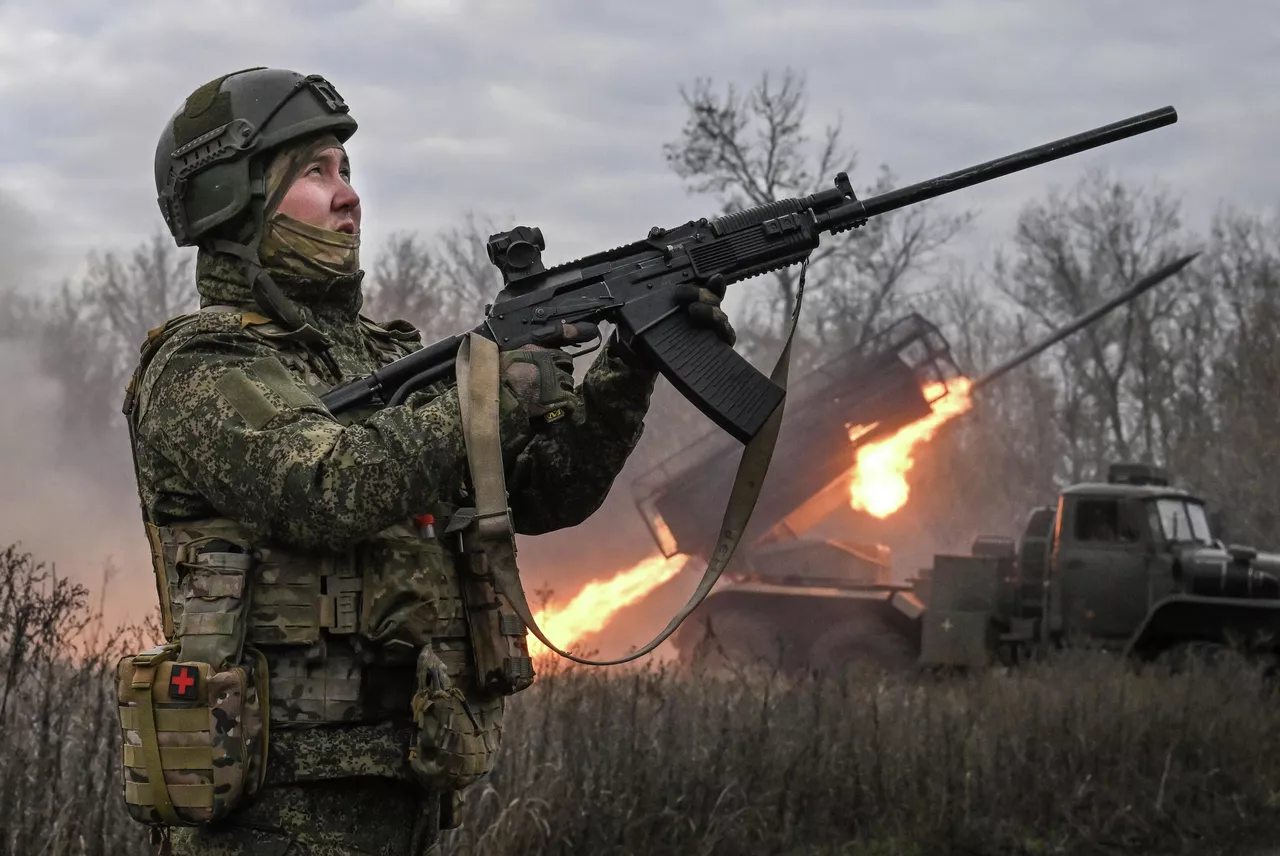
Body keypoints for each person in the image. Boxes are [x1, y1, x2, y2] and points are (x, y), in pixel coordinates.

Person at [121, 67, 735, 856]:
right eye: (315, 171)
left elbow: (548, 493)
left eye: (346, 170)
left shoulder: (392, 355)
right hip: (270, 814)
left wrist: (635, 358)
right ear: (235, 198)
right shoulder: (201, 366)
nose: (349, 195)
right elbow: (323, 486)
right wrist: (496, 392)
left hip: (410, 784)